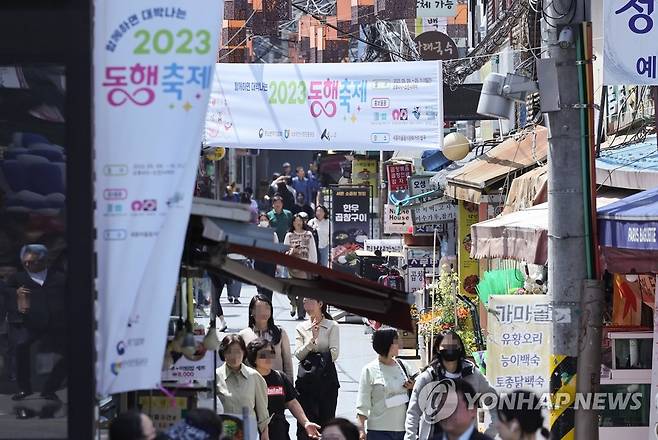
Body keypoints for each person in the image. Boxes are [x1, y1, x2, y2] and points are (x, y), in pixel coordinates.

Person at [404, 331, 497, 440]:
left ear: (460, 348)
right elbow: (413, 413)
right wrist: (410, 437)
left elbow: (494, 402)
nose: (450, 350)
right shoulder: (427, 378)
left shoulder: (473, 375)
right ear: (438, 349)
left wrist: (490, 432)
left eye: (453, 346)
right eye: (446, 346)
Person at [5, 244, 67, 401]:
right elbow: (6, 293)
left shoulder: (59, 277)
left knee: (70, 355)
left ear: (44, 260)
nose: (27, 265)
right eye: (25, 262)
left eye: (32, 262)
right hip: (31, 323)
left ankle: (50, 389)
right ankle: (24, 388)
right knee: (20, 348)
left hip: (56, 324)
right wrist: (16, 294)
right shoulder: (18, 278)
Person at [247, 338, 321, 440]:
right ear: (253, 358)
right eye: (263, 355)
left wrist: (306, 422)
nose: (268, 357)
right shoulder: (248, 379)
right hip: (256, 431)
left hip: (279, 431)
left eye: (271, 353)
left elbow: (292, 403)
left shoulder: (280, 377)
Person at [357, 328, 418, 440]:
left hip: (404, 430)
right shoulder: (369, 370)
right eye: (396, 341)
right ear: (386, 344)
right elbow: (363, 404)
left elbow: (417, 393)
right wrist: (360, 429)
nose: (400, 343)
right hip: (378, 431)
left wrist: (413, 386)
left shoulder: (404, 366)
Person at [294, 298, 340, 440]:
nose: (306, 304)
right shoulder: (301, 327)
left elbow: (334, 353)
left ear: (320, 304)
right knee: (306, 423)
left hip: (327, 379)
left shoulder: (332, 326)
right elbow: (298, 354)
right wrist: (311, 342)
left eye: (310, 301)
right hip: (307, 381)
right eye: (304, 301)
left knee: (327, 421)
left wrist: (313, 354)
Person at [216, 334, 270, 440]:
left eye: (238, 351)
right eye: (229, 352)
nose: (234, 356)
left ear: (244, 352)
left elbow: (263, 413)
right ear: (223, 353)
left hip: (248, 434)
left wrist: (265, 434)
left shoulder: (254, 376)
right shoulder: (215, 376)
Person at [239, 294, 294, 380]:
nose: (264, 312)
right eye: (259, 309)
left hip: (276, 385)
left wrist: (289, 386)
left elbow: (288, 364)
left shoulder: (280, 333)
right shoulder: (243, 335)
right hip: (252, 384)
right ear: (252, 311)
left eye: (267, 308)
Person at [284, 214, 318, 319]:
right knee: (291, 291)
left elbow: (312, 249)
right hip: (292, 266)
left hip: (304, 265)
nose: (298, 223)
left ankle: (301, 313)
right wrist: (292, 251)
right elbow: (284, 250)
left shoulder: (308, 234)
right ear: (293, 223)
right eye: (296, 221)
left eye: (300, 221)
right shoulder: (289, 235)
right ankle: (293, 303)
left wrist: (313, 263)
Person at [253, 213, 278, 301]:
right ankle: (261, 302)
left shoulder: (273, 233)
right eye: (261, 220)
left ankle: (268, 303)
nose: (263, 222)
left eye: (265, 220)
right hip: (258, 261)